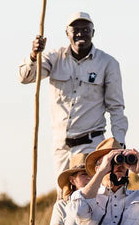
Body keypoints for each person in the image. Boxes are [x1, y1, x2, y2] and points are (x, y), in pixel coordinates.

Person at [17, 11, 127, 173]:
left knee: (88, 195)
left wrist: (119, 144)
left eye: (86, 30)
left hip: (91, 144)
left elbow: (116, 108)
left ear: (93, 33)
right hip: (61, 146)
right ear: (67, 33)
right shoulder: (54, 58)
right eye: (75, 30)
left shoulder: (107, 63)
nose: (80, 34)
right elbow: (25, 78)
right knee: (63, 196)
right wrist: (34, 56)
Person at [46, 152, 90, 225]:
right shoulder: (62, 205)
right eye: (83, 174)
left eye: (91, 173)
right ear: (72, 180)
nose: (89, 178)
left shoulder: (103, 200)